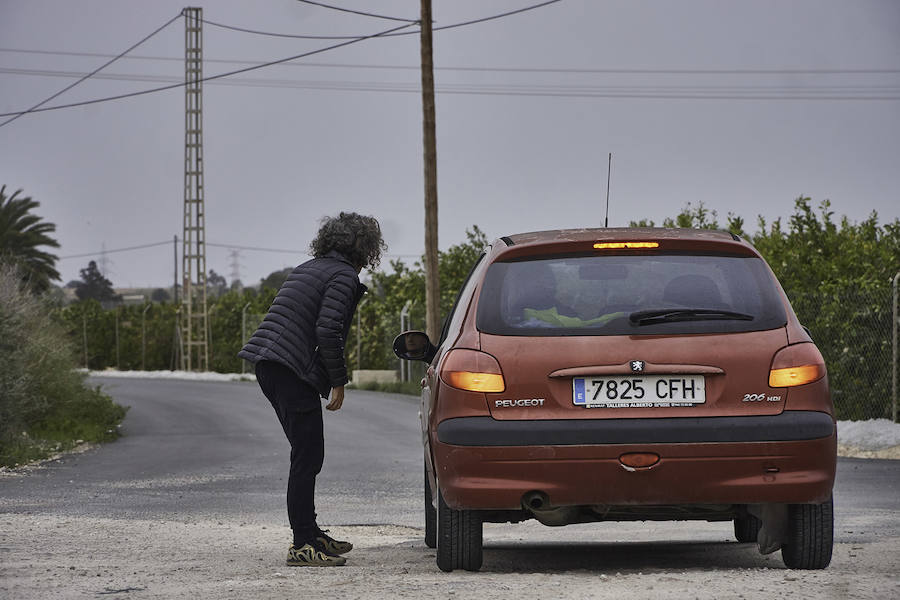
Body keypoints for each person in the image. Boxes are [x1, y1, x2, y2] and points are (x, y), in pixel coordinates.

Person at [238, 212, 386, 567]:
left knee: (306, 453)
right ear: (363, 248)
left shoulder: (308, 267)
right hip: (288, 370)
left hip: (270, 365)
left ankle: (311, 532)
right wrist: (338, 381)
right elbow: (328, 330)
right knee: (307, 455)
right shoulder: (342, 275)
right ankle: (302, 544)